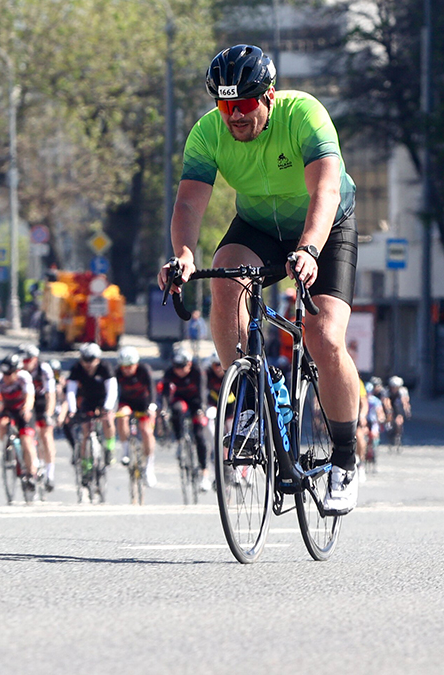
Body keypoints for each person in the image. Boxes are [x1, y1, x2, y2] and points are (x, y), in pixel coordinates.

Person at [158, 44, 361, 514]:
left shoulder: (305, 115)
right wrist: (184, 255)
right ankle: (252, 402)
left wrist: (310, 248)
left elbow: (325, 190)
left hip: (326, 223)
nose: (234, 116)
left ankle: (346, 460)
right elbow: (189, 204)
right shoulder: (208, 133)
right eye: (225, 105)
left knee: (323, 335)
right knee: (224, 283)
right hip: (258, 227)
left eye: (244, 104)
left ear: (268, 96)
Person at [63, 343, 118, 478]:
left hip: (104, 400)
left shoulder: (105, 368)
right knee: (85, 430)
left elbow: (112, 390)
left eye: (91, 360)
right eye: (85, 361)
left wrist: (108, 407)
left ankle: (110, 448)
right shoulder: (76, 369)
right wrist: (72, 409)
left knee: (108, 420)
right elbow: (71, 391)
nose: (88, 364)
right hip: (88, 400)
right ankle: (86, 463)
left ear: (98, 359)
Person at [161, 347, 211, 491]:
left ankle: (204, 473)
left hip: (196, 401)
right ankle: (179, 441)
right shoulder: (170, 372)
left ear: (189, 364)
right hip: (180, 399)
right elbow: (165, 393)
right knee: (175, 410)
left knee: (199, 435)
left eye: (182, 367)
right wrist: (164, 409)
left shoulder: (198, 371)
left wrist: (202, 408)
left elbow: (202, 391)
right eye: (176, 367)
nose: (179, 371)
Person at [0, 353, 37, 484]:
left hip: (22, 409)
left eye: (9, 374)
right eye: (4, 374)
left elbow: (30, 396)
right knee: (2, 425)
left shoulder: (24, 377)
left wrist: (27, 409)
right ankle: (8, 446)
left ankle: (31, 472)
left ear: (17, 371)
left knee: (26, 441)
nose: (6, 377)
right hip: (8, 410)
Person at [114, 346, 158, 487]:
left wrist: (151, 407)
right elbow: (113, 391)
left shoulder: (144, 370)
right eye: (124, 367)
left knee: (146, 431)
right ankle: (125, 449)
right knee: (122, 416)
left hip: (143, 403)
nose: (127, 370)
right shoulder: (117, 373)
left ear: (136, 364)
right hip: (127, 402)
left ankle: (149, 467)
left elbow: (152, 388)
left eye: (130, 366)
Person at [20, 344, 58, 491]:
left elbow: (51, 394)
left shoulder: (44, 369)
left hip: (42, 401)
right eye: (24, 360)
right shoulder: (20, 369)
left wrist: (49, 413)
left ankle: (50, 473)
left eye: (29, 359)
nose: (26, 363)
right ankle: (32, 465)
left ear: (35, 359)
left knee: (46, 434)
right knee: (27, 433)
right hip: (26, 402)